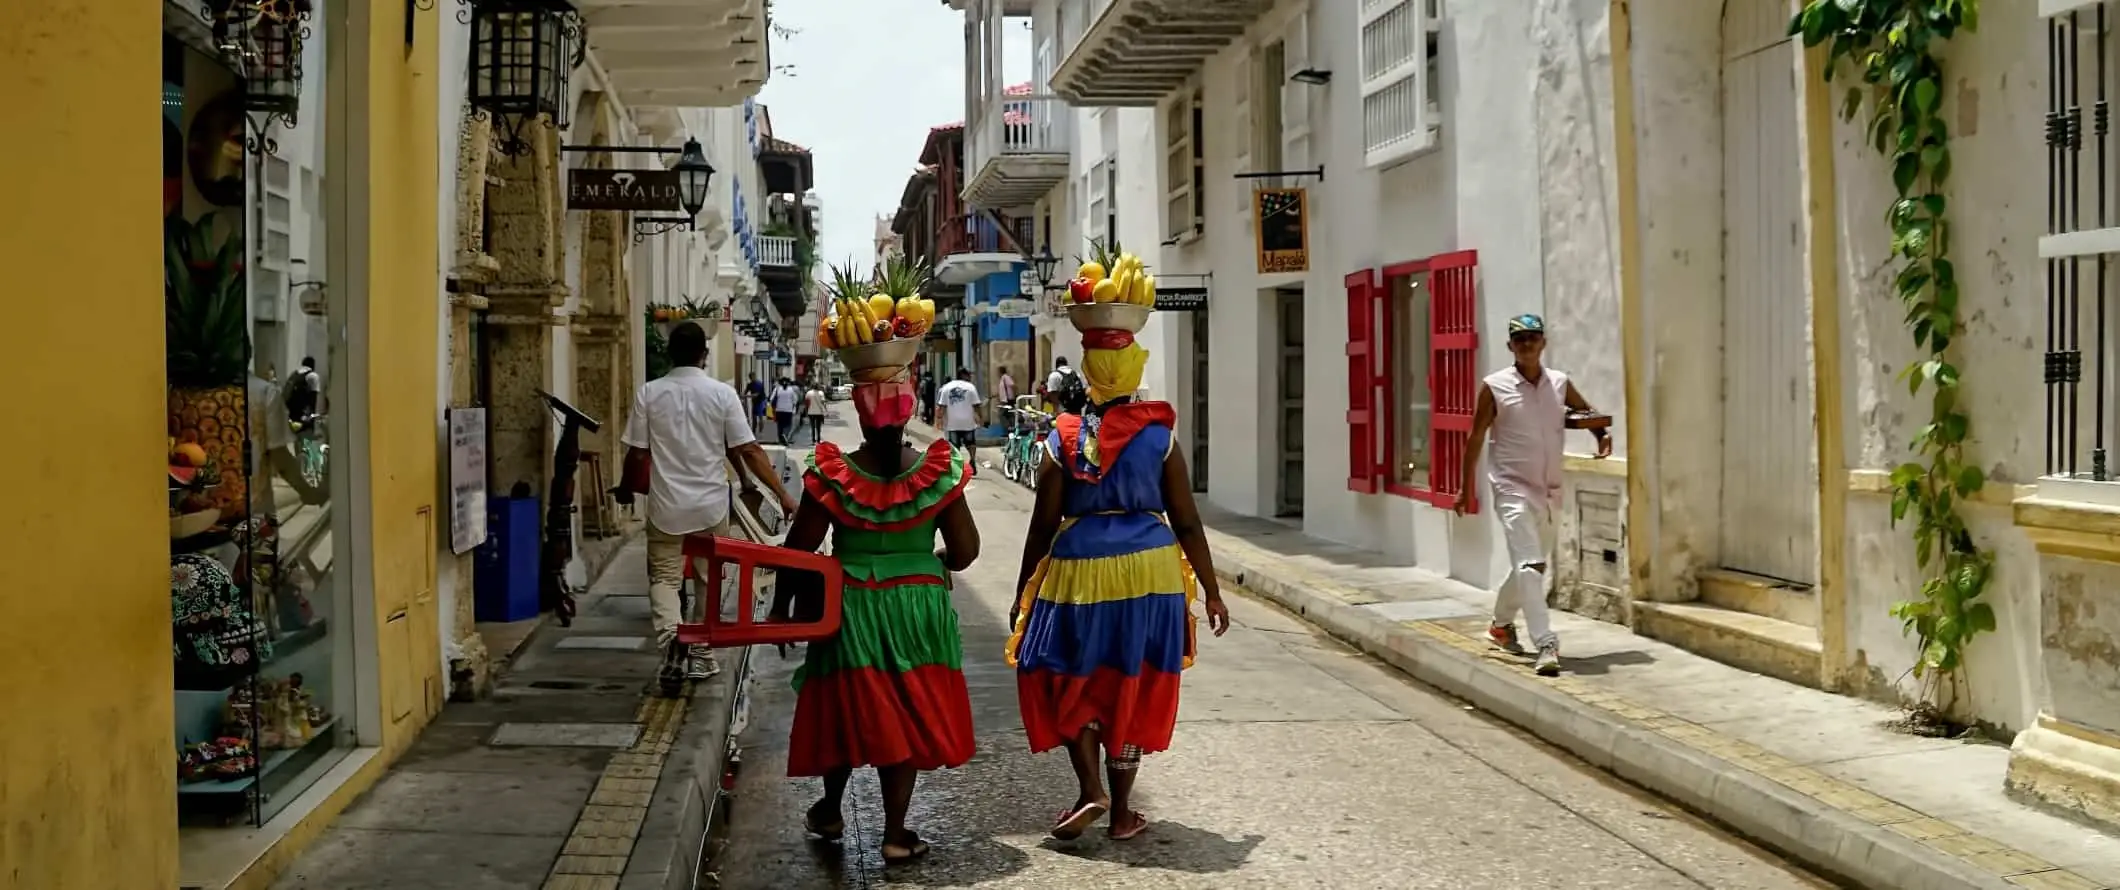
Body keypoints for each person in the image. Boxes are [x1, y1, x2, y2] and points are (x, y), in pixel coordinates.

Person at [1008, 293, 1231, 843]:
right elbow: (1187, 520)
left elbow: (1042, 524)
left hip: (1078, 570)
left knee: (1066, 672)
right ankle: (1123, 811)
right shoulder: (1159, 437)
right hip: (1152, 572)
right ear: (1134, 372)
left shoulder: (1061, 439)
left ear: (1087, 375)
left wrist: (1021, 591)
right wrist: (1211, 590)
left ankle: (1090, 789)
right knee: (1133, 680)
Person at [780, 367, 980, 865]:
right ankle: (895, 832)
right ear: (909, 412)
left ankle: (829, 808)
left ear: (864, 421)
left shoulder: (833, 472)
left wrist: (782, 605)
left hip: (849, 603)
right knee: (906, 706)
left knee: (850, 702)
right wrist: (936, 563)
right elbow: (965, 549)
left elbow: (800, 546)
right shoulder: (938, 470)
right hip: (918, 604)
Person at [621, 321, 800, 683]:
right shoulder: (722, 395)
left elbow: (638, 455)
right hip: (710, 506)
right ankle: (701, 654)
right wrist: (782, 495)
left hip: (666, 506)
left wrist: (626, 488)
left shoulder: (649, 393)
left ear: (670, 353)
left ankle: (673, 637)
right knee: (707, 579)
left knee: (665, 578)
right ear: (704, 355)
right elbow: (746, 448)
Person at [1454, 313, 1612, 677]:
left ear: (1543, 343)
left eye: (1533, 337)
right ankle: (1546, 643)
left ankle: (1500, 625)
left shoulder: (1558, 382)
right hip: (1511, 486)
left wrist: (1601, 435)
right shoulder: (1495, 386)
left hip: (1550, 489)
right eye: (1520, 339)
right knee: (1530, 565)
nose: (1527, 344)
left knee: (1531, 565)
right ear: (1510, 346)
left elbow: (1585, 411)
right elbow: (1475, 438)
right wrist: (1465, 489)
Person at [936, 368, 984, 460]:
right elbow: (977, 405)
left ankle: (958, 464)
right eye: (968, 375)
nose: (970, 377)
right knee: (971, 443)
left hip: (952, 423)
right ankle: (972, 459)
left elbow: (942, 406)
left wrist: (939, 419)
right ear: (964, 375)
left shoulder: (947, 387)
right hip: (968, 422)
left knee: (954, 446)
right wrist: (981, 418)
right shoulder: (971, 387)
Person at [772, 377, 802, 444]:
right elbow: (795, 400)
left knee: (780, 425)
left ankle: (780, 439)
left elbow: (771, 399)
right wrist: (793, 407)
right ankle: (785, 435)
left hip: (778, 410)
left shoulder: (777, 389)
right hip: (788, 410)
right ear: (788, 383)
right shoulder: (791, 390)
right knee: (788, 425)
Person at [802, 379, 828, 445]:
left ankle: (813, 440)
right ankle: (818, 440)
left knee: (812, 427)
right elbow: (823, 402)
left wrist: (806, 411)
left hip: (811, 412)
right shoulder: (821, 393)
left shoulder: (808, 393)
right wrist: (825, 410)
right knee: (818, 427)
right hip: (819, 412)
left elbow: (806, 403)